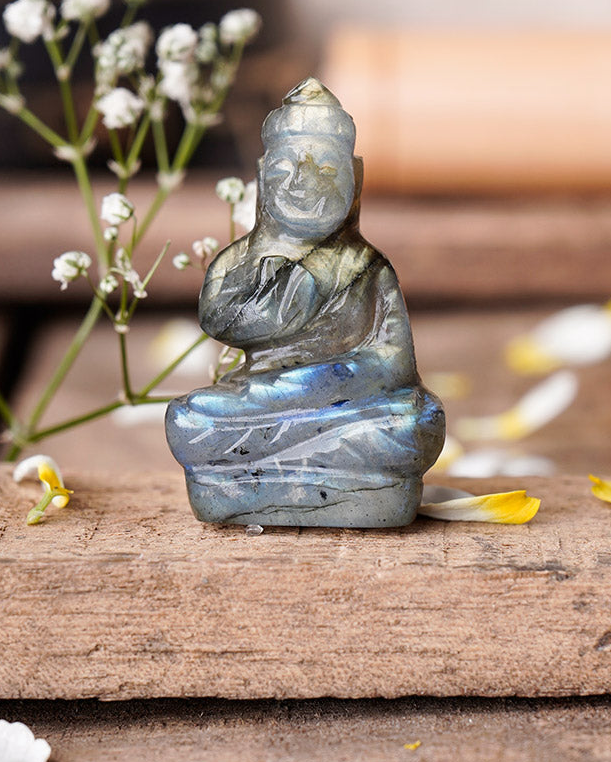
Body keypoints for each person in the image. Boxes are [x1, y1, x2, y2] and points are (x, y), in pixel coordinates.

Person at [165, 78, 445, 527]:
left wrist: (303, 385)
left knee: (415, 421)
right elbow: (216, 320)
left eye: (326, 169)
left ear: (355, 177)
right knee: (192, 418)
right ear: (261, 176)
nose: (304, 182)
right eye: (287, 168)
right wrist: (267, 299)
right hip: (250, 404)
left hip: (348, 407)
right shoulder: (239, 261)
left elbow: (394, 363)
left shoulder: (367, 266)